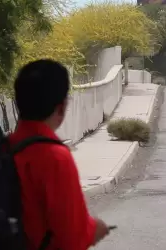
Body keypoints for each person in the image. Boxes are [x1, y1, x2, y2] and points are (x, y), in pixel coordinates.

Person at [9, 59, 109, 250]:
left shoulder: (2, 149)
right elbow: (72, 238)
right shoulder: (55, 157)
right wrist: (94, 229)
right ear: (61, 107)